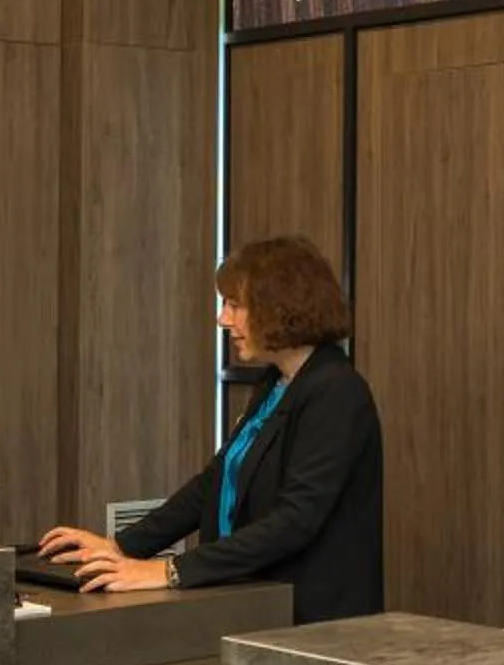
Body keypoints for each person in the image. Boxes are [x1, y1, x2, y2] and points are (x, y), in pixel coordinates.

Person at [35, 235, 385, 625]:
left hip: (310, 624)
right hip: (250, 605)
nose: (223, 319)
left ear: (282, 307)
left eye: (235, 305)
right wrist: (121, 547)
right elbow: (213, 485)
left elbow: (295, 519)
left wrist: (171, 571)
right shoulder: (276, 382)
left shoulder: (336, 391)